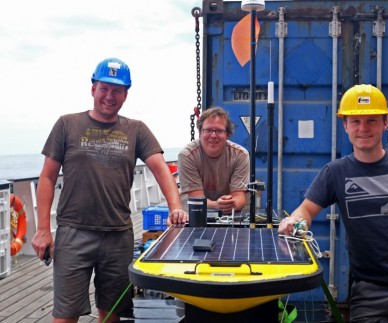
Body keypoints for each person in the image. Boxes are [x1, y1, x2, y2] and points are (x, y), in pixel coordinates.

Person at [31, 57, 187, 323]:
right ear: (93, 89)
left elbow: (161, 168)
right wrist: (44, 229)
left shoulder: (136, 129)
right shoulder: (67, 124)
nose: (109, 96)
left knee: (111, 313)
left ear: (126, 94)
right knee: (65, 315)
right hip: (73, 233)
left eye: (117, 90)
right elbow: (47, 177)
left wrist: (175, 207)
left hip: (117, 236)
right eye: (104, 88)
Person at [278, 84, 388, 323]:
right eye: (355, 121)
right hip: (367, 291)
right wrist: (295, 221)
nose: (363, 128)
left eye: (372, 120)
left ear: (385, 123)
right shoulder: (335, 172)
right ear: (345, 125)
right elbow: (306, 209)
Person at [178, 107, 250, 215]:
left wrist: (230, 203)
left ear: (227, 134)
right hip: (193, 215)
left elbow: (239, 197)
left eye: (219, 131)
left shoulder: (240, 155)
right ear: (200, 132)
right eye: (208, 130)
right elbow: (196, 199)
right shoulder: (187, 155)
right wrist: (217, 205)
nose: (213, 135)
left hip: (227, 216)